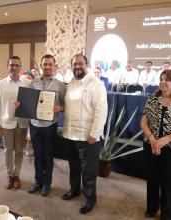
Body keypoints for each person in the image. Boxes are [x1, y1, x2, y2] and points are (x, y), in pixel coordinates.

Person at [62, 54, 108, 214]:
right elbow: (69, 106)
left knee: (89, 171)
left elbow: (101, 110)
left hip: (88, 136)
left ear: (87, 65)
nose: (77, 66)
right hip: (70, 134)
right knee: (74, 166)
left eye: (80, 63)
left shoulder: (96, 84)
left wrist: (94, 133)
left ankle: (90, 199)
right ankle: (75, 190)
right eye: (74, 64)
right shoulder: (72, 83)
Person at [27, 54, 66, 197]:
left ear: (55, 66)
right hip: (35, 124)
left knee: (48, 156)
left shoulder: (60, 85)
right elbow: (29, 102)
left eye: (50, 64)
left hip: (50, 126)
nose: (48, 67)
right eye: (45, 64)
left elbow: (66, 105)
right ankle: (38, 181)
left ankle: (47, 184)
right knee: (37, 155)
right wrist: (22, 105)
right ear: (41, 66)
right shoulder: (34, 82)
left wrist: (60, 108)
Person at [0, 56, 30, 190]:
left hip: (22, 123)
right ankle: (10, 175)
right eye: (11, 65)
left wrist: (23, 104)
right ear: (7, 66)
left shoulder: (26, 83)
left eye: (16, 65)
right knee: (8, 151)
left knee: (19, 151)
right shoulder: (1, 84)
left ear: (20, 66)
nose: (14, 67)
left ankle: (17, 175)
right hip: (6, 122)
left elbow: (30, 103)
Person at [140, 70, 171, 219]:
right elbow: (143, 121)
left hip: (169, 149)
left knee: (167, 182)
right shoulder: (153, 98)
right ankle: (151, 208)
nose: (163, 82)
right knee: (152, 179)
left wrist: (166, 139)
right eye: (161, 79)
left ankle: (166, 213)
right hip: (150, 146)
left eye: (167, 79)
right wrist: (152, 139)